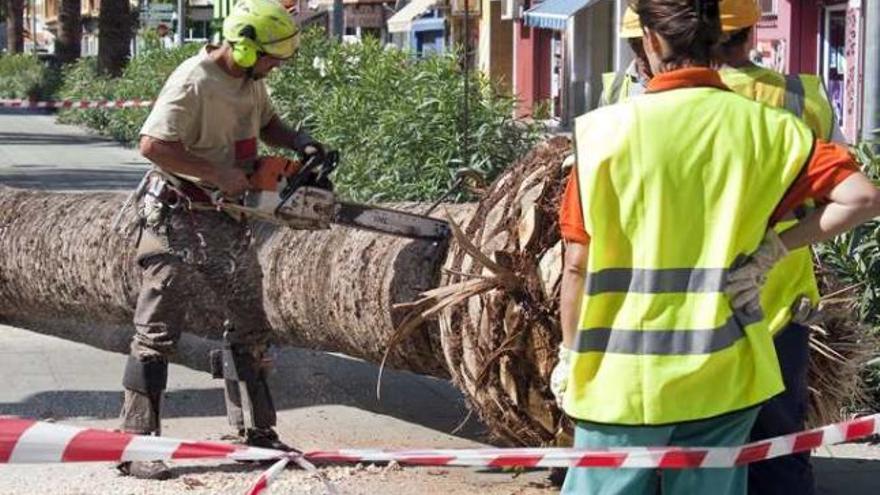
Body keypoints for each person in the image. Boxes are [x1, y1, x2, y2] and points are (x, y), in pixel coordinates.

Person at [551, 1, 880, 494]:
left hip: (618, 380)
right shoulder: (772, 127)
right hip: (723, 373)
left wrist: (571, 355)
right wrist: (775, 248)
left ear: (653, 41)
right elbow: (862, 197)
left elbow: (577, 263)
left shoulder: (603, 133)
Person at [116, 0, 325, 480]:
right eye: (272, 58)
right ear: (247, 47)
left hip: (226, 217)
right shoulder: (194, 81)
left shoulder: (250, 81)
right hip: (177, 214)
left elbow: (268, 122)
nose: (275, 67)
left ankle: (255, 431)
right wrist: (218, 173)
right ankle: (134, 442)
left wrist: (298, 141)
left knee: (251, 323)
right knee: (157, 332)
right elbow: (152, 144)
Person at [715, 2, 846, 493]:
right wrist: (777, 246)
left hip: (681, 306)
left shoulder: (650, 103)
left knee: (692, 451)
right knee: (778, 446)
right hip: (779, 299)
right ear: (752, 32)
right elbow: (848, 196)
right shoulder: (799, 97)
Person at [599, 6, 653, 106]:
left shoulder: (679, 84)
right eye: (635, 44)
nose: (641, 53)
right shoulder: (614, 87)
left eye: (645, 43)